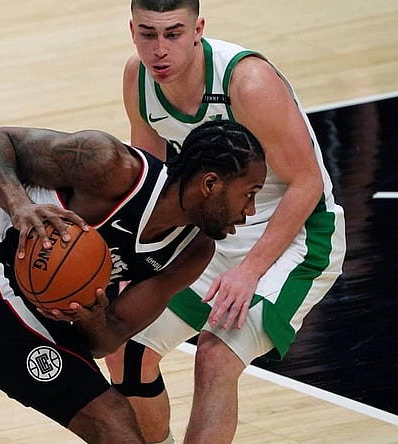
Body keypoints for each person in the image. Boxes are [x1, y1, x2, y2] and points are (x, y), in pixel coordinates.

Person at [0, 119, 267, 443]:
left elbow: (106, 339)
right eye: (248, 194)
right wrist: (19, 206)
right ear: (210, 183)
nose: (249, 211)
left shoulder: (192, 252)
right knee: (110, 419)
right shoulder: (109, 165)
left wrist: (91, 314)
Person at [103, 1, 347, 443]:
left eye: (173, 33)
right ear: (132, 30)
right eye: (147, 34)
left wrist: (249, 272)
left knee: (215, 356)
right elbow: (151, 185)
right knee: (125, 344)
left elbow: (307, 183)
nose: (159, 49)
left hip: (293, 235)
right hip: (213, 232)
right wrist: (129, 263)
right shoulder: (138, 78)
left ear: (198, 28)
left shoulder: (248, 83)